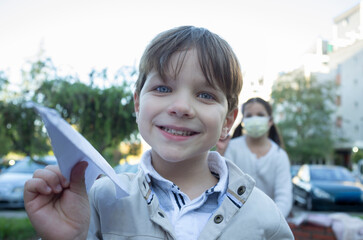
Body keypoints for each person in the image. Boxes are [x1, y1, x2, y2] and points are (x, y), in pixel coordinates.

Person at [24, 26, 294, 239]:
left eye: (205, 94)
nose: (181, 107)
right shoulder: (100, 199)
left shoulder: (264, 215)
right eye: (163, 88)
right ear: (138, 103)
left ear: (229, 121)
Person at [217, 97, 293, 218]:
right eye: (249, 115)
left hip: (270, 225)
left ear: (270, 121)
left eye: (260, 114)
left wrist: (272, 223)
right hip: (234, 221)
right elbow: (226, 188)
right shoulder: (232, 148)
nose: (255, 119)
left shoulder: (279, 156)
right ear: (243, 120)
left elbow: (284, 197)